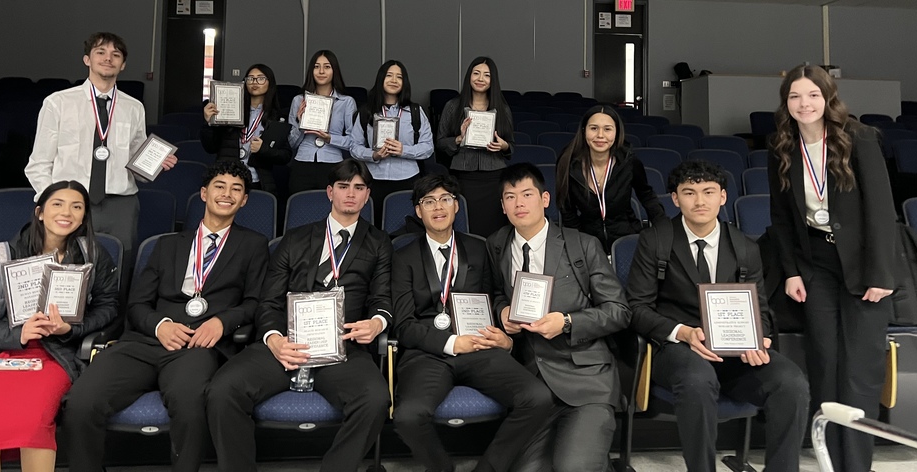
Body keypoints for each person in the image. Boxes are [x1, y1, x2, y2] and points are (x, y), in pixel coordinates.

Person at [62, 160, 269, 472]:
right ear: (204, 193)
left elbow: (256, 301)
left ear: (244, 200)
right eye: (219, 186)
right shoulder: (167, 244)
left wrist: (222, 322)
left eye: (236, 189)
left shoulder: (253, 244)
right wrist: (160, 325)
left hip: (199, 346)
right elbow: (137, 304)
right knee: (80, 404)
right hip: (146, 341)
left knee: (189, 407)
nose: (226, 194)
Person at [206, 159, 392, 472]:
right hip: (286, 343)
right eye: (344, 187)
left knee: (375, 400)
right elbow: (268, 300)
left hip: (342, 348)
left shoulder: (379, 243)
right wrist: (274, 339)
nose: (351, 194)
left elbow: (383, 299)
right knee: (223, 390)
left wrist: (377, 323)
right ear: (330, 192)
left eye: (359, 188)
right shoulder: (295, 238)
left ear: (367, 195)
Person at [627, 160, 809, 472]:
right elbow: (636, 309)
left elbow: (760, 309)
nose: (700, 201)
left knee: (791, 383)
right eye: (689, 193)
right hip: (677, 350)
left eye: (709, 192)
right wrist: (682, 332)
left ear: (723, 197)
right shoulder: (656, 240)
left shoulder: (745, 246)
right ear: (675, 199)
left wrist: (759, 339)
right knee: (697, 379)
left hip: (734, 352)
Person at [768, 64, 896, 472]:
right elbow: (781, 218)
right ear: (786, 103)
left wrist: (881, 273)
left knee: (860, 369)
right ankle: (830, 461)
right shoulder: (781, 146)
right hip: (815, 265)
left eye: (812, 95)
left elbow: (880, 210)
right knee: (824, 361)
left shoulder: (859, 138)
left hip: (862, 265)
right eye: (795, 97)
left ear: (828, 98)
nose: (804, 104)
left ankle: (856, 467)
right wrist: (790, 271)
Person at [0, 180, 118, 472]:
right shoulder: (1, 255)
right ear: (40, 212)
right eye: (57, 204)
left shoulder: (93, 254)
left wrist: (71, 329)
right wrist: (18, 334)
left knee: (31, 418)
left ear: (84, 216)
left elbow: (109, 308)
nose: (67, 213)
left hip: (55, 355)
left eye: (77, 207)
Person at [392, 174, 552, 472]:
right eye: (428, 201)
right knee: (408, 417)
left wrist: (506, 339)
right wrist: (452, 343)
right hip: (428, 353)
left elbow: (496, 300)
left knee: (538, 398)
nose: (438, 207)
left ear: (456, 207)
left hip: (480, 345)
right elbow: (403, 324)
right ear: (418, 211)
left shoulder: (480, 248)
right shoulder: (402, 257)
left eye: (445, 199)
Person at [487, 163, 631, 471]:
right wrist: (502, 311)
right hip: (533, 387)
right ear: (502, 206)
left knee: (574, 467)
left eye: (527, 194)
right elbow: (498, 292)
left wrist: (566, 322)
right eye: (510, 197)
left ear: (545, 199)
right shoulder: (497, 245)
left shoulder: (582, 244)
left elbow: (619, 311)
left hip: (586, 379)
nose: (519, 203)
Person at [25, 32, 177, 266]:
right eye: (101, 52)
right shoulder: (58, 102)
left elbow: (137, 164)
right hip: (71, 202)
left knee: (118, 271)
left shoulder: (133, 107)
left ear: (123, 64)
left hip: (121, 205)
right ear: (87, 59)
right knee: (66, 269)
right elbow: (38, 164)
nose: (108, 58)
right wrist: (53, 203)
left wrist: (155, 164)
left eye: (115, 54)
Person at [556, 105, 665, 255]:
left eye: (607, 129)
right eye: (593, 128)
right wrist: (577, 243)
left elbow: (646, 195)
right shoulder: (567, 163)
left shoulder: (629, 162)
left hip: (628, 239)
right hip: (588, 243)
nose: (600, 135)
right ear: (583, 131)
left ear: (616, 132)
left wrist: (663, 230)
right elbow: (567, 209)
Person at [436, 56, 515, 238]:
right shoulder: (453, 106)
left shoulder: (502, 108)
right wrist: (458, 139)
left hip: (494, 178)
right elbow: (440, 143)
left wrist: (503, 146)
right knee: (465, 231)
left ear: (493, 80)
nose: (481, 79)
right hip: (463, 177)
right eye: (476, 73)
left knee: (494, 233)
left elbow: (511, 145)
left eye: (487, 75)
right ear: (468, 76)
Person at [349, 60, 433, 224]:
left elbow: (428, 147)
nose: (394, 80)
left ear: (404, 83)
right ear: (380, 79)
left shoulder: (415, 112)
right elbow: (354, 147)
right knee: (373, 228)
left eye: (399, 77)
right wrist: (373, 155)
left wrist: (404, 150)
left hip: (407, 179)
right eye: (389, 75)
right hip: (373, 179)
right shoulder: (366, 111)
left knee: (405, 228)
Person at [201, 63, 293, 195]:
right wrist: (208, 123)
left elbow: (285, 156)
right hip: (228, 179)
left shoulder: (277, 118)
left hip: (258, 181)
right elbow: (210, 147)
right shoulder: (229, 110)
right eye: (250, 78)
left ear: (270, 83)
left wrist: (264, 149)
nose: (254, 82)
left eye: (260, 78)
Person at [287, 50, 357, 195]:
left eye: (327, 67)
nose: (321, 71)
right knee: (300, 208)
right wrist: (300, 124)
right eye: (316, 66)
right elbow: (291, 143)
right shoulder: (299, 100)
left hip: (333, 164)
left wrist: (329, 138)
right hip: (302, 163)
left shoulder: (346, 102)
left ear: (334, 71)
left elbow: (353, 142)